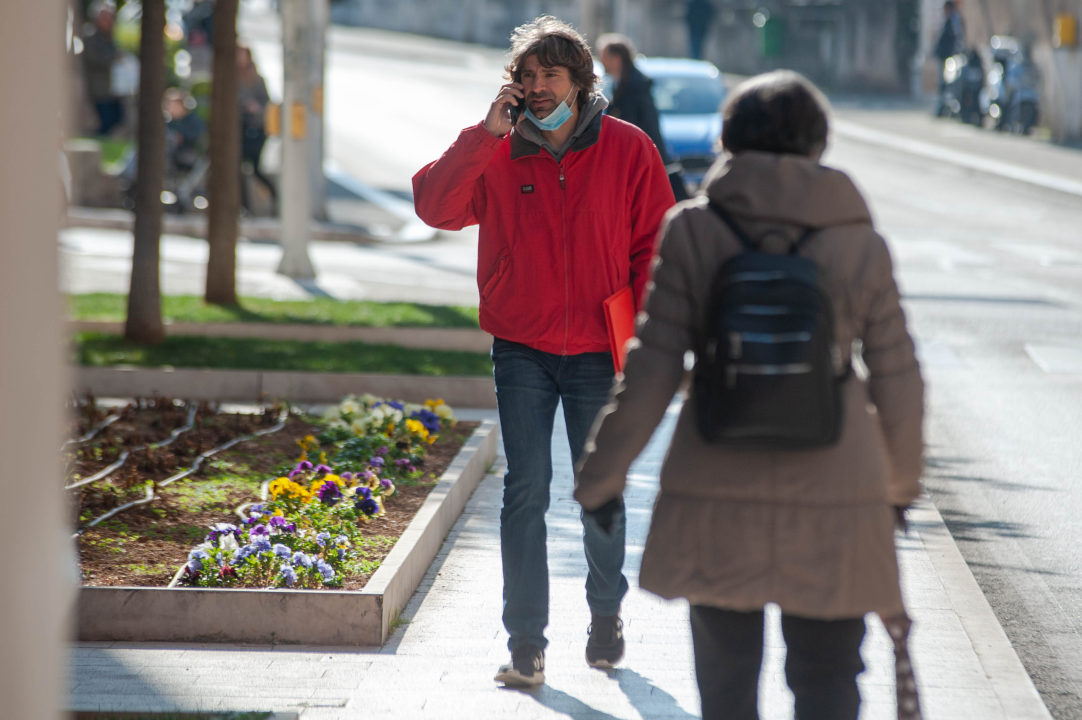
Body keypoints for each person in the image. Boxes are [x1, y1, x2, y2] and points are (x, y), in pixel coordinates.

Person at [574, 71, 924, 720]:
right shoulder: (860, 243)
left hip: (715, 478)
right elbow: (899, 379)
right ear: (818, 142)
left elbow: (650, 368)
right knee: (827, 680)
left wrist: (601, 478)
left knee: (727, 687)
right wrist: (899, 488)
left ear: (729, 137)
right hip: (837, 488)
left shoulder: (693, 232)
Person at [413, 15, 675, 688]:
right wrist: (482, 136)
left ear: (581, 84)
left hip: (597, 345)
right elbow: (436, 208)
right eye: (524, 77)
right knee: (526, 490)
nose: (534, 88)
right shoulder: (498, 150)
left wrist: (641, 330)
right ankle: (526, 643)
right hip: (522, 343)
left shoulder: (627, 148)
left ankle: (606, 616)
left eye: (548, 76)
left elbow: (657, 246)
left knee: (598, 491)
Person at [597, 33, 689, 201]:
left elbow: (644, 129)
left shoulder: (635, 89)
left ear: (616, 58)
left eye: (604, 56)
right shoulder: (625, 85)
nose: (601, 61)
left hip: (638, 162)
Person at [237, 44, 277, 214]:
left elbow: (267, 104)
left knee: (254, 168)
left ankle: (275, 198)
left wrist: (255, 108)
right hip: (239, 128)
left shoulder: (257, 79)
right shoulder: (229, 76)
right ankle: (243, 206)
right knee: (236, 168)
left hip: (255, 129)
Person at [82, 1, 123, 136]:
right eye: (105, 17)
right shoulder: (90, 36)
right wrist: (114, 59)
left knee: (117, 118)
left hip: (113, 88)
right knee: (104, 120)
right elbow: (93, 58)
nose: (109, 20)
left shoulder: (110, 37)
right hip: (98, 87)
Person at [934, 0, 965, 115]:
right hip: (944, 56)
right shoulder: (949, 20)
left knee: (947, 83)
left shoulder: (954, 20)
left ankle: (945, 108)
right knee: (943, 83)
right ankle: (942, 107)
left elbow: (956, 39)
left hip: (948, 57)